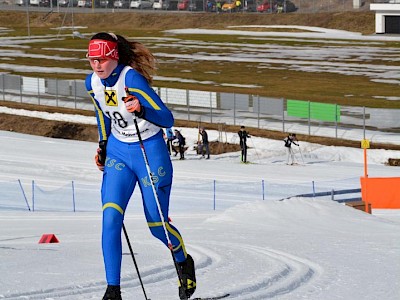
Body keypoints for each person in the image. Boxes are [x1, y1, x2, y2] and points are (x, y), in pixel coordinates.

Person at [85, 32, 196, 300]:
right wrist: (103, 144)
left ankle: (183, 261)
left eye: (101, 59)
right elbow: (102, 113)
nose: (96, 65)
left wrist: (141, 109)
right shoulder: (92, 83)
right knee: (110, 217)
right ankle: (113, 290)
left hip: (149, 151)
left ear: (113, 57)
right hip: (118, 153)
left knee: (157, 225)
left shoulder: (130, 78)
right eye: (92, 60)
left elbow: (167, 119)